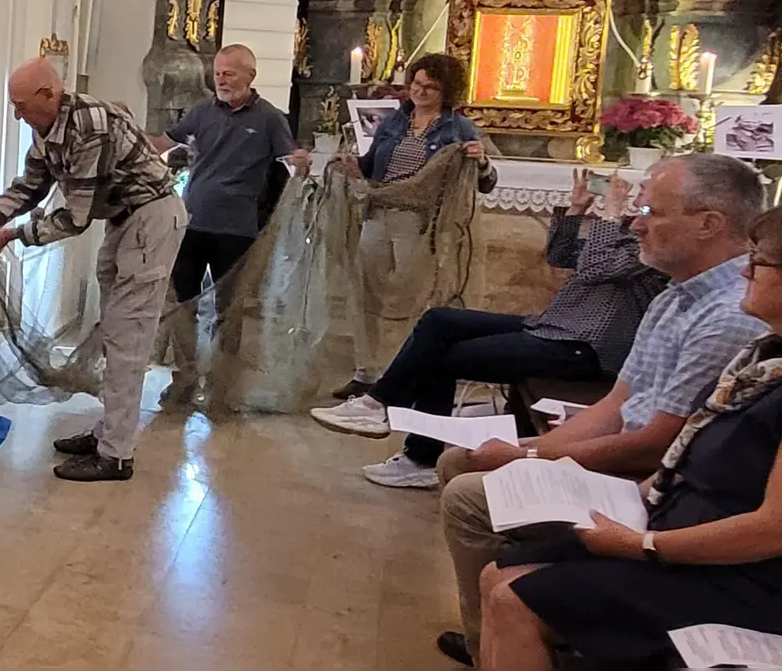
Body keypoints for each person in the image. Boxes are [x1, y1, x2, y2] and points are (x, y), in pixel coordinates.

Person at [431, 153, 767, 667]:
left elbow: (658, 444)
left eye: (652, 210)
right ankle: (498, 642)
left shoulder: (728, 320)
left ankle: (510, 640)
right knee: (463, 459)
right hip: (651, 484)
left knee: (469, 493)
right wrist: (530, 449)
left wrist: (535, 460)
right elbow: (618, 403)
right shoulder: (678, 296)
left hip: (650, 483)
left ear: (708, 224)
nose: (637, 221)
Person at [311, 169, 668, 489]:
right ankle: (378, 405)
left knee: (445, 359)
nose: (635, 202)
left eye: (645, 200)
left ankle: (416, 455)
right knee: (440, 319)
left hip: (584, 347)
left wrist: (609, 215)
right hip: (552, 327)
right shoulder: (627, 232)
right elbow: (560, 257)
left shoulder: (657, 246)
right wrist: (576, 211)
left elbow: (596, 268)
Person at [0, 58, 186, 483]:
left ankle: (116, 454)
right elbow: (30, 186)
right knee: (115, 332)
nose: (16, 114)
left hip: (150, 220)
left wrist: (7, 237)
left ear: (50, 94)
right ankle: (108, 433)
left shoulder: (90, 125)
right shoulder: (46, 128)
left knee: (128, 335)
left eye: (21, 105)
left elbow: (74, 218)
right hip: (124, 220)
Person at [332, 53, 498, 401]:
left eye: (430, 87)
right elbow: (370, 165)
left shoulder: (458, 129)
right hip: (378, 213)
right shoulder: (394, 121)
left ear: (446, 92)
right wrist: (350, 166)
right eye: (416, 84)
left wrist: (480, 160)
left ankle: (403, 373)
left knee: (411, 297)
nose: (419, 92)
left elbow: (486, 183)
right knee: (367, 291)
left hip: (420, 224)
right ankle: (365, 372)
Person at [150, 44, 305, 406]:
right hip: (192, 223)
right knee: (183, 305)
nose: (221, 79)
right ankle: (184, 379)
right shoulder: (202, 112)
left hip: (237, 230)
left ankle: (223, 386)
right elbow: (163, 142)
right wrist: (127, 132)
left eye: (229, 73)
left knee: (230, 309)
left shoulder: (269, 118)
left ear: (249, 76)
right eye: (218, 72)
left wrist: (301, 162)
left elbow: (289, 159)